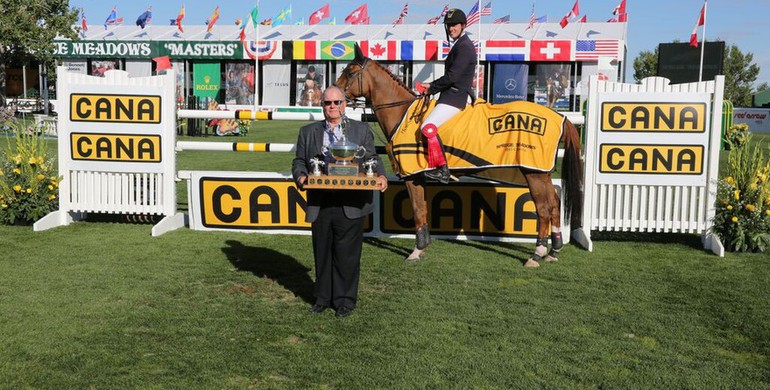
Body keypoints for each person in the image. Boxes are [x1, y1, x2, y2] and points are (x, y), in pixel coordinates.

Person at [292, 86, 388, 318]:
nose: (332, 107)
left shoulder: (361, 130)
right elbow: (299, 161)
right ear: (322, 105)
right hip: (320, 201)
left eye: (336, 102)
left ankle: (345, 301)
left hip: (351, 202)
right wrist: (301, 176)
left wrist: (382, 175)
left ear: (344, 104)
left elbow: (372, 159)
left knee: (347, 255)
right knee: (322, 253)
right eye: (327, 103)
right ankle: (322, 298)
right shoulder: (308, 132)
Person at [419, 8, 477, 183]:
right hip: (451, 94)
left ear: (463, 25)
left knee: (427, 127)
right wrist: (431, 85)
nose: (451, 28)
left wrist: (431, 87)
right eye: (449, 25)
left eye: (454, 25)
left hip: (456, 96)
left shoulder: (465, 47)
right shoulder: (460, 44)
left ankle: (442, 169)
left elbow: (453, 77)